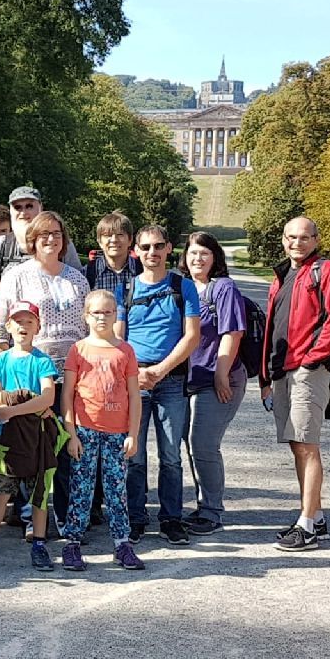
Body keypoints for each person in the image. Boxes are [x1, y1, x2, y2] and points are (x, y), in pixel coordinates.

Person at [0, 211, 90, 529]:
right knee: (31, 446)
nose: (51, 239)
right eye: (44, 234)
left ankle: (67, 517)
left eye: (56, 234)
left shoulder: (77, 278)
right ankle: (30, 517)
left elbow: (89, 327)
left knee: (66, 445)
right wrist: (3, 369)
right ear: (32, 240)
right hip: (30, 376)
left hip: (73, 375)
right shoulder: (17, 275)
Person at [260, 216, 330, 551]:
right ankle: (316, 517)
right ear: (283, 239)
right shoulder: (283, 275)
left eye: (304, 237)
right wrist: (265, 376)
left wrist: (312, 360)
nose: (296, 243)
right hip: (283, 371)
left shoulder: (327, 271)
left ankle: (307, 526)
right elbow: (273, 327)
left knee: (307, 445)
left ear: (316, 240)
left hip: (307, 371)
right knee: (298, 445)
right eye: (291, 237)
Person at [116, 225, 201, 546]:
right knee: (133, 455)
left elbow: (192, 336)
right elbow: (118, 338)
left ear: (168, 249)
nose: (152, 252)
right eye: (146, 247)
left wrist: (160, 371)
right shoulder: (126, 289)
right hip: (134, 380)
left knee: (171, 455)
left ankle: (171, 519)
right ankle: (135, 518)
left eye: (158, 246)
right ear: (136, 251)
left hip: (171, 381)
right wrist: (135, 373)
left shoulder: (183, 287)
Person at [0, 301, 58, 571]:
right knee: (0, 495)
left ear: (38, 327)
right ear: (8, 326)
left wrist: (14, 408)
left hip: (38, 438)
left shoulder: (42, 360)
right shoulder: (1, 360)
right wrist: (30, 402)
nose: (23, 327)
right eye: (18, 322)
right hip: (7, 441)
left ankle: (39, 545)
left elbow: (48, 398)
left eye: (29, 322)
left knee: (39, 495)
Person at [60, 290, 144, 571]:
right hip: (84, 430)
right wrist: (71, 434)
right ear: (86, 316)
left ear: (116, 315)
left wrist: (133, 434)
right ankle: (72, 542)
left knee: (116, 490)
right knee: (81, 488)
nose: (102, 317)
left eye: (108, 312)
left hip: (117, 432)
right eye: (96, 312)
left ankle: (122, 544)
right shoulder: (78, 350)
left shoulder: (125, 351)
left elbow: (134, 395)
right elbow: (67, 395)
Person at [179, 232, 247, 536]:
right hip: (187, 380)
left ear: (215, 257)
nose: (198, 258)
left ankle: (212, 512)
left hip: (218, 378)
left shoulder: (223, 288)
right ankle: (203, 505)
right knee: (191, 446)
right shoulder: (181, 287)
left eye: (204, 253)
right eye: (193, 253)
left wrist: (221, 374)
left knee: (203, 444)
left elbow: (232, 333)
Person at [84, 211, 142, 526]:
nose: (114, 240)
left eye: (120, 234)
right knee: (94, 432)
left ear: (130, 240)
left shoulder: (142, 270)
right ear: (99, 240)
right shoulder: (90, 272)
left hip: (133, 361)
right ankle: (93, 504)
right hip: (99, 362)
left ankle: (132, 507)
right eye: (107, 235)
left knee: (129, 440)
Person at [0, 186, 82, 354]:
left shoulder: (62, 246)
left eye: (29, 206)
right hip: (15, 347)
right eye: (17, 207)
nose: (23, 212)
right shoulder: (0, 246)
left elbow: (77, 292)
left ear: (40, 207)